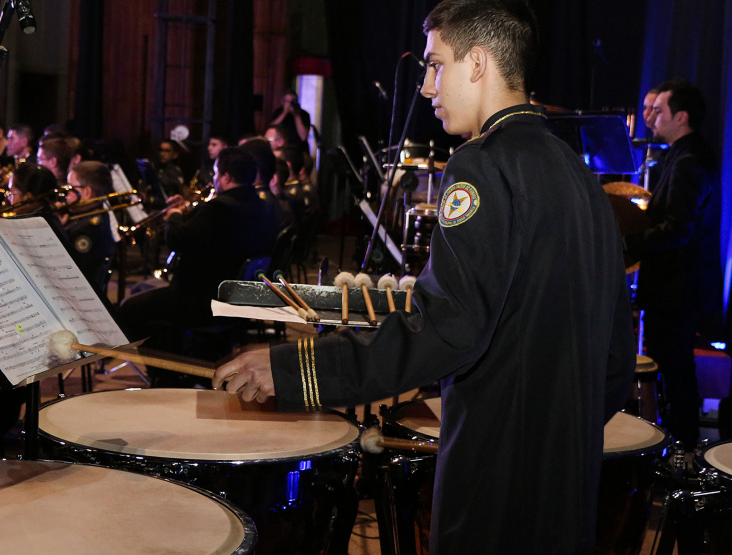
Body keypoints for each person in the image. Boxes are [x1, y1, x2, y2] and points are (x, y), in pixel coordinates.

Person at [214, 1, 635, 553]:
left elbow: (449, 328)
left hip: (495, 475)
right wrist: (563, 432)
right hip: (569, 476)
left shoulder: (481, 164)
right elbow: (616, 354)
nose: (427, 87)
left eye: (436, 65)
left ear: (478, 64)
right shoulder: (580, 175)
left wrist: (298, 370)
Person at [119, 147, 281, 384]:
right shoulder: (260, 204)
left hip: (201, 299)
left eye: (217, 173)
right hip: (234, 296)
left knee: (129, 310)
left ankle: (165, 374)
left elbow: (178, 239)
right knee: (148, 300)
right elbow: (208, 236)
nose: (215, 179)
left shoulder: (219, 208)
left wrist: (174, 216)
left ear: (225, 176)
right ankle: (175, 361)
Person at [625, 78, 722, 450]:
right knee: (672, 362)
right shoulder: (681, 155)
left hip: (679, 284)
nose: (651, 118)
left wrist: (626, 243)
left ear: (681, 117)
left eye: (659, 111)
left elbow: (678, 229)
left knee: (675, 365)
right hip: (675, 282)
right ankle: (677, 440)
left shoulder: (690, 161)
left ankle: (681, 447)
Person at [62, 160, 119, 292]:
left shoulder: (88, 228)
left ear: (87, 192)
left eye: (71, 188)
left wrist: (58, 228)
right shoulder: (88, 216)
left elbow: (65, 269)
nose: (66, 194)